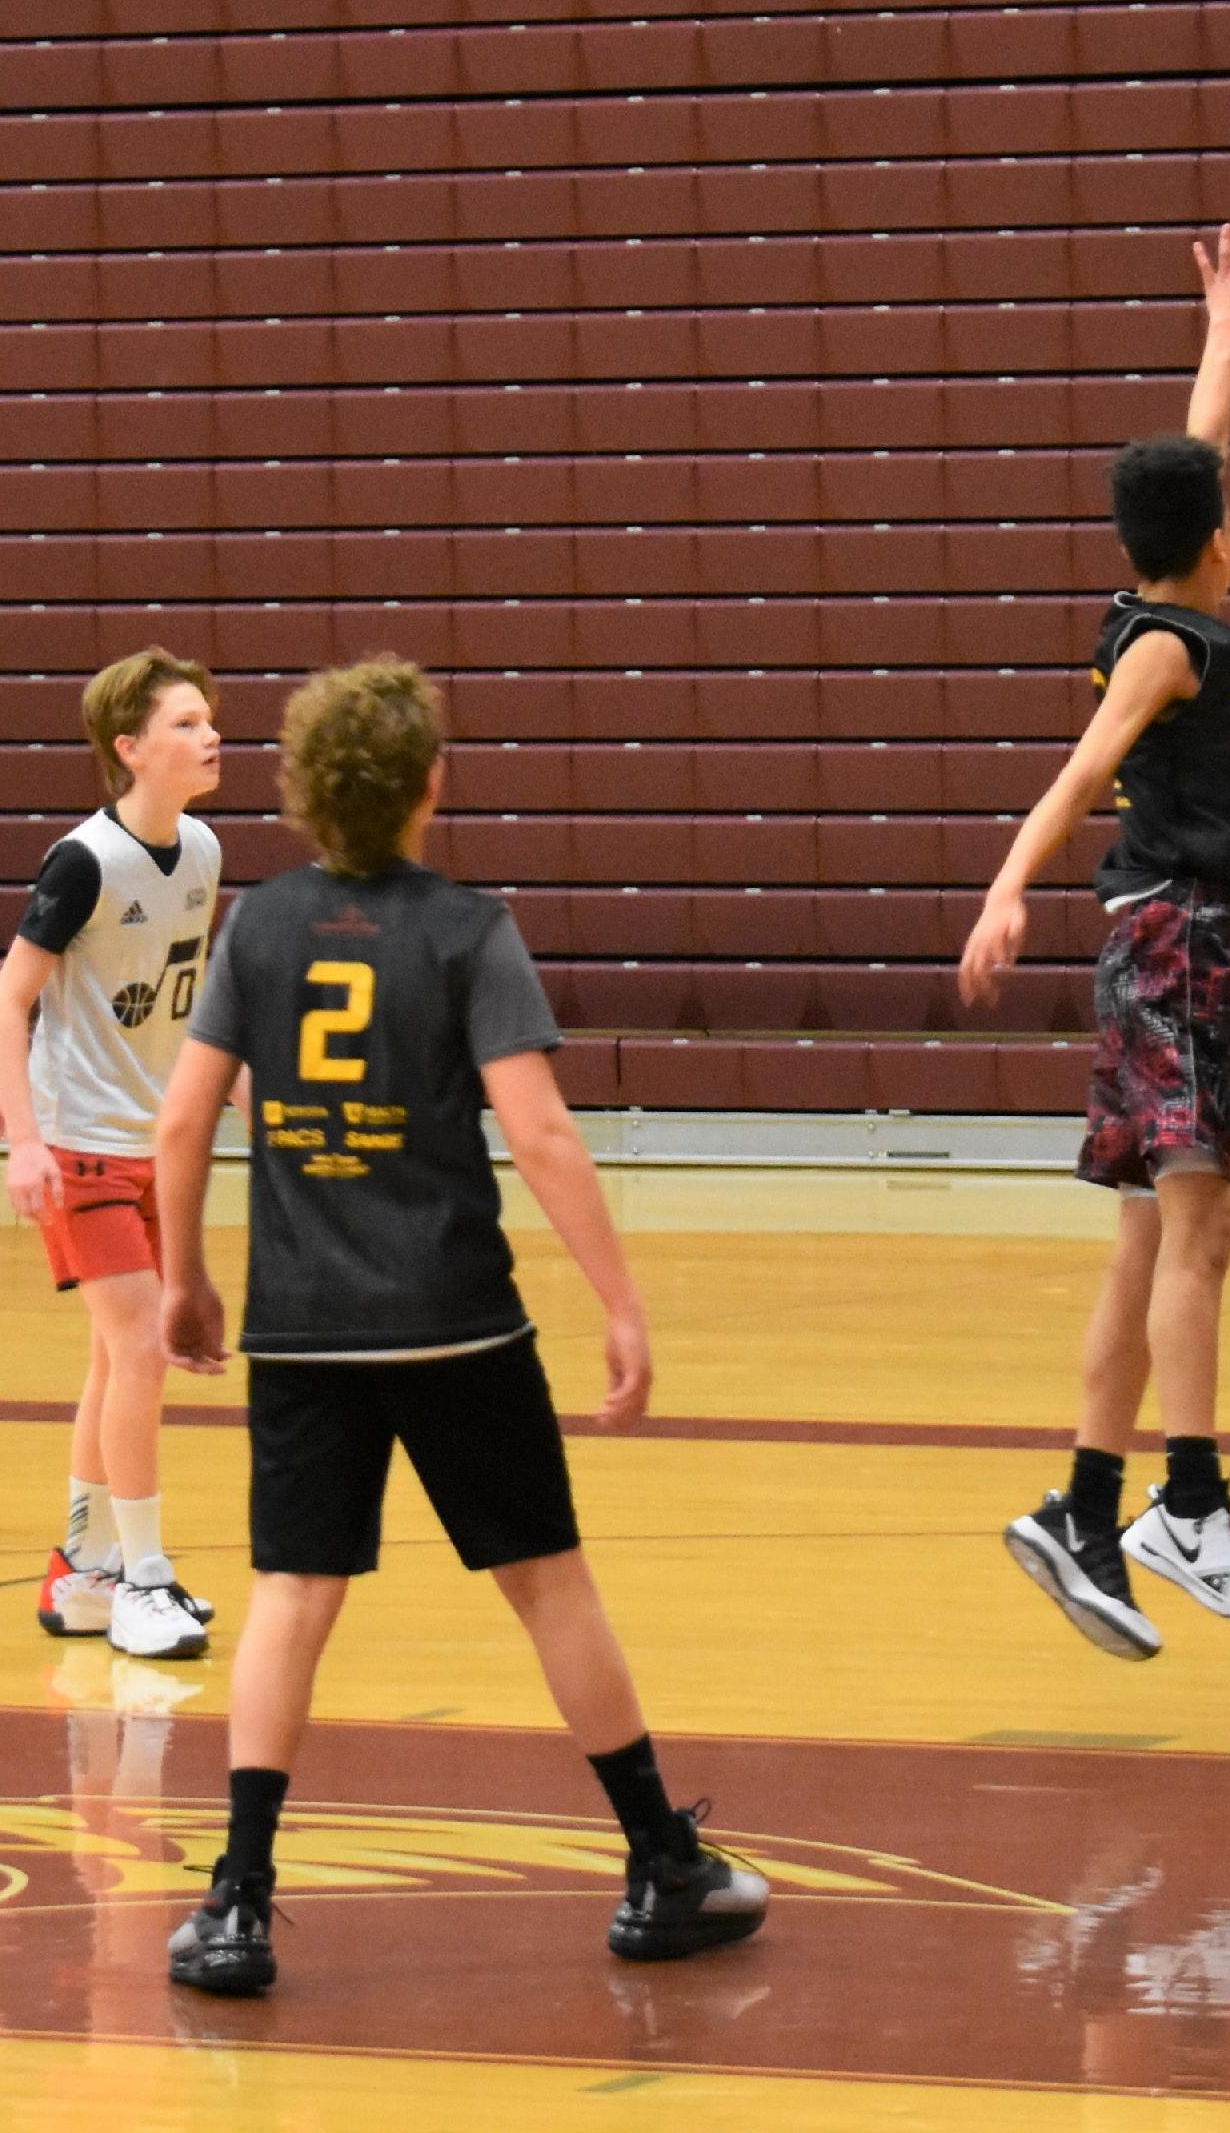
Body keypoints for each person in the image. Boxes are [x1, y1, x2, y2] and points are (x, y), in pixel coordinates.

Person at [152, 658, 767, 1997]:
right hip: (450, 1324)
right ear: (431, 782)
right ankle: (661, 1863)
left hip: (302, 1328)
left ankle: (238, 1904)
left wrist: (182, 1276)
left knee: (289, 1598)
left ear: (304, 787)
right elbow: (538, 1131)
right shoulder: (468, 928)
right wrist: (618, 1300)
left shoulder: (258, 927)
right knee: (545, 1580)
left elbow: (184, 1117)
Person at [967, 225, 1230, 1661]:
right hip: (1172, 937)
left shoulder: (1160, 604)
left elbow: (1197, 456)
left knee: (1147, 1240)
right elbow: (1079, 767)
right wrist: (1004, 883)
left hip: (1172, 941)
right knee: (1202, 1226)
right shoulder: (1170, 648)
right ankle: (1187, 1499)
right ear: (1220, 542)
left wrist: (1226, 330)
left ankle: (1085, 1513)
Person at [0, 650, 227, 1663]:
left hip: (154, 1146)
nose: (210, 736)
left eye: (210, 720)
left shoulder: (205, 852)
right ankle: (144, 1579)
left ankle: (82, 1576)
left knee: (110, 1359)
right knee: (139, 1352)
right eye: (184, 723)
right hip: (81, 1147)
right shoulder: (83, 860)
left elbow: (184, 1008)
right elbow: (8, 999)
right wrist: (27, 1139)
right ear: (129, 749)